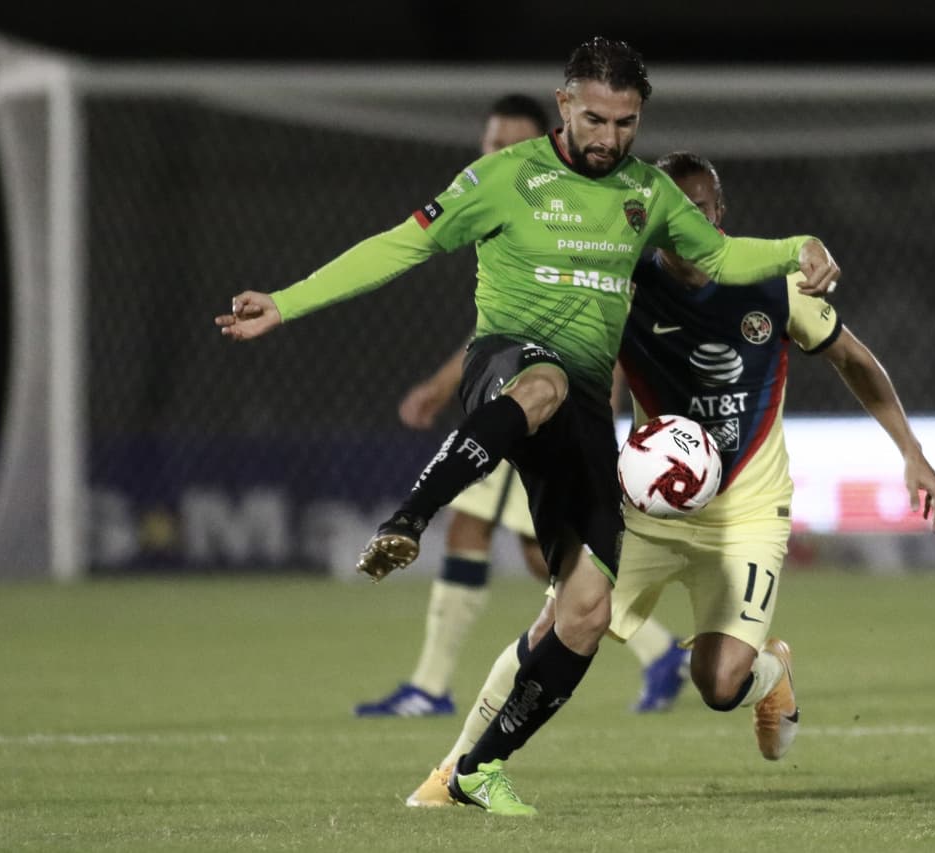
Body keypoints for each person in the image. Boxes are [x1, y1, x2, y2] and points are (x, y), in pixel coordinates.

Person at [215, 37, 839, 817]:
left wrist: (797, 246)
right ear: (563, 104)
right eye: (596, 118)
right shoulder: (502, 178)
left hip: (581, 410)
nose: (610, 137)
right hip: (507, 367)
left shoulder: (648, 192)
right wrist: (287, 299)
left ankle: (477, 769)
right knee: (539, 381)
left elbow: (716, 254)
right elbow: (399, 246)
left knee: (583, 610)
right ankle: (411, 513)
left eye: (626, 121)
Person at [404, 151, 935, 811]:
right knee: (558, 620)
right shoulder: (624, 285)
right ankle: (455, 770)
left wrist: (911, 451)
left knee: (719, 682)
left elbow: (853, 359)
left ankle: (769, 670)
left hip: (747, 511)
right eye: (675, 214)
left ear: (722, 216)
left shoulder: (775, 284)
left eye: (704, 211)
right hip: (648, 510)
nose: (690, 226)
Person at [353, 95, 690, 719]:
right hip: (525, 384)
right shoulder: (502, 201)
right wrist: (437, 386)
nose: (496, 153)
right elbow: (505, 332)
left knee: (508, 540)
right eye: (490, 142)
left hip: (545, 407)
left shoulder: (582, 207)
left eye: (511, 142)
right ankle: (659, 651)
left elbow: (600, 319)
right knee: (535, 551)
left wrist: (598, 404)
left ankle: (432, 685)